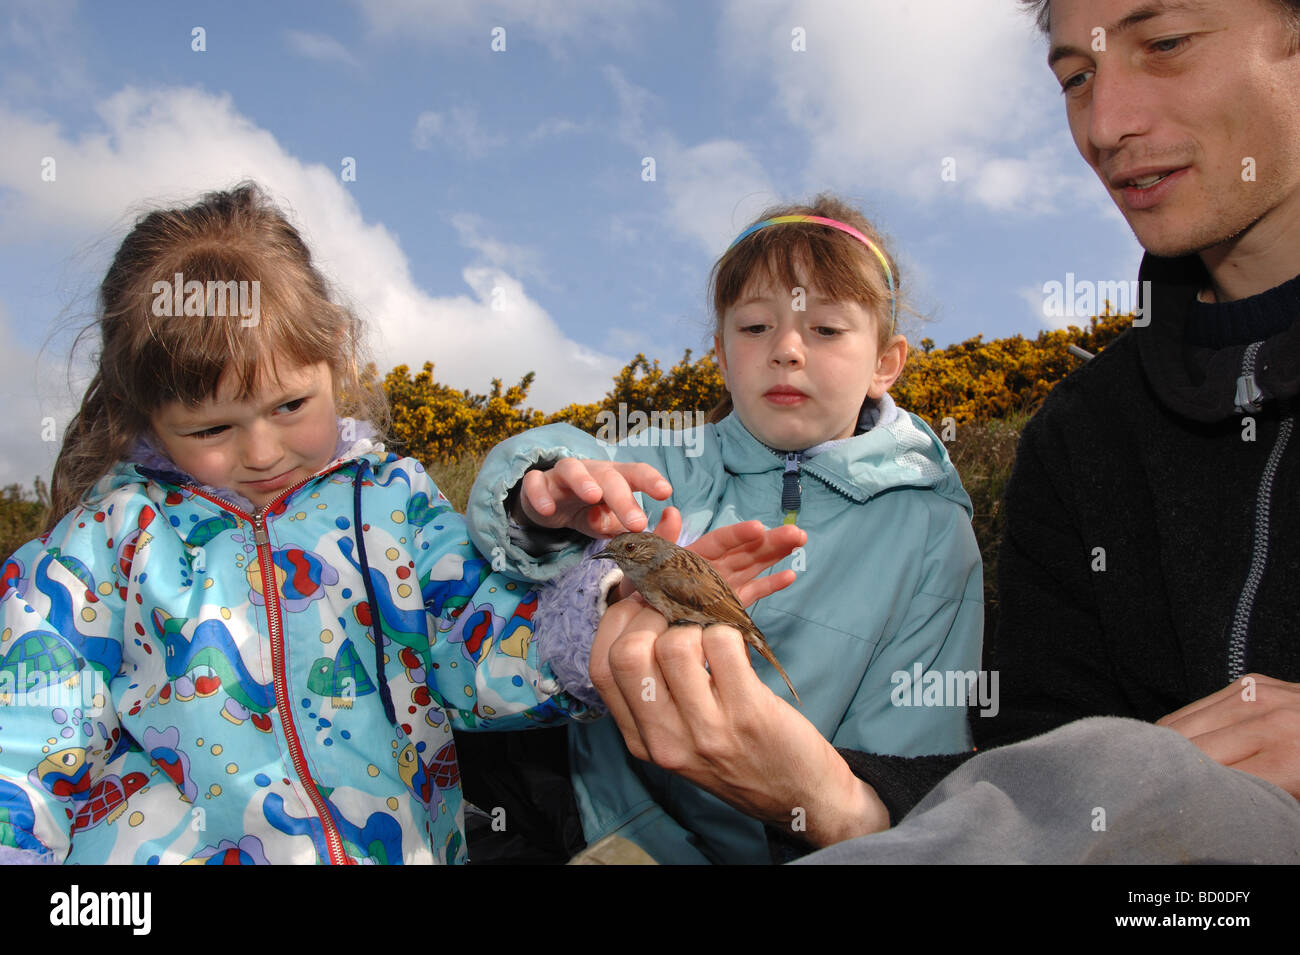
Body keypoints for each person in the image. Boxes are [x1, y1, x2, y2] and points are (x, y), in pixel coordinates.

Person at [580, 0, 1300, 864]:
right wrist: (833, 797)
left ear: (889, 358)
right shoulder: (1077, 441)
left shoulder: (933, 520)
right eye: (1075, 78)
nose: (1105, 124)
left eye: (1168, 44)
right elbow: (1027, 784)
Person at [0, 183, 795, 865]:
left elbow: (475, 650)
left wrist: (602, 619)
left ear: (334, 356)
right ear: (146, 414)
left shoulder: (393, 506)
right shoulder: (99, 549)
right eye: (211, 429)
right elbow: (21, 752)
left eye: (289, 406)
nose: (262, 449)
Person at [466, 197, 984, 863]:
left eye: (826, 329)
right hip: (605, 824)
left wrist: (825, 806)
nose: (787, 350)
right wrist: (536, 496)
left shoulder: (932, 532)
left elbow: (909, 767)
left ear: (886, 362)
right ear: (720, 353)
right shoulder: (667, 461)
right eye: (756, 326)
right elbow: (563, 467)